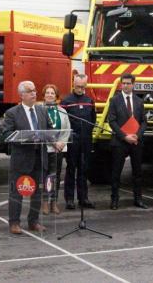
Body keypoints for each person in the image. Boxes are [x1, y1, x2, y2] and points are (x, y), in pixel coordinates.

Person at [3, 81, 51, 234]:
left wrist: (55, 140)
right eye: (30, 91)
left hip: (39, 156)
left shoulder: (42, 111)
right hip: (22, 158)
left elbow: (49, 130)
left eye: (35, 91)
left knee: (37, 191)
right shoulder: (12, 113)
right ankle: (14, 223)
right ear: (22, 95)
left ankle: (33, 221)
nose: (34, 94)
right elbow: (6, 134)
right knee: (16, 192)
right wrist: (24, 137)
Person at [108, 73, 147, 210]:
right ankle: (114, 200)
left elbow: (143, 122)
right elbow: (111, 121)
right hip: (120, 141)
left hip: (136, 142)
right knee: (116, 172)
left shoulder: (139, 101)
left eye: (128, 83)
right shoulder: (114, 100)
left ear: (133, 84)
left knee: (137, 172)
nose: (125, 85)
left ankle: (138, 199)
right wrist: (124, 136)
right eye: (123, 83)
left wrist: (137, 135)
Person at [61, 74, 96, 210]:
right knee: (71, 169)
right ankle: (69, 199)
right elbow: (63, 122)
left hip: (86, 141)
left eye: (83, 86)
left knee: (84, 170)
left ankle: (83, 198)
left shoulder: (89, 100)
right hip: (72, 141)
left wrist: (87, 133)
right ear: (73, 84)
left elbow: (93, 119)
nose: (80, 89)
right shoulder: (66, 101)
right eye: (78, 86)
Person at [41, 84, 68, 215]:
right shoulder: (39, 110)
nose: (50, 95)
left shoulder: (62, 111)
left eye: (52, 93)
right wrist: (53, 142)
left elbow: (67, 129)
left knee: (56, 176)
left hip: (59, 148)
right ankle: (45, 202)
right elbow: (41, 130)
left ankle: (54, 203)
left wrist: (61, 142)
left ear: (56, 96)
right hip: (46, 147)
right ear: (44, 95)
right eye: (48, 93)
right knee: (47, 176)